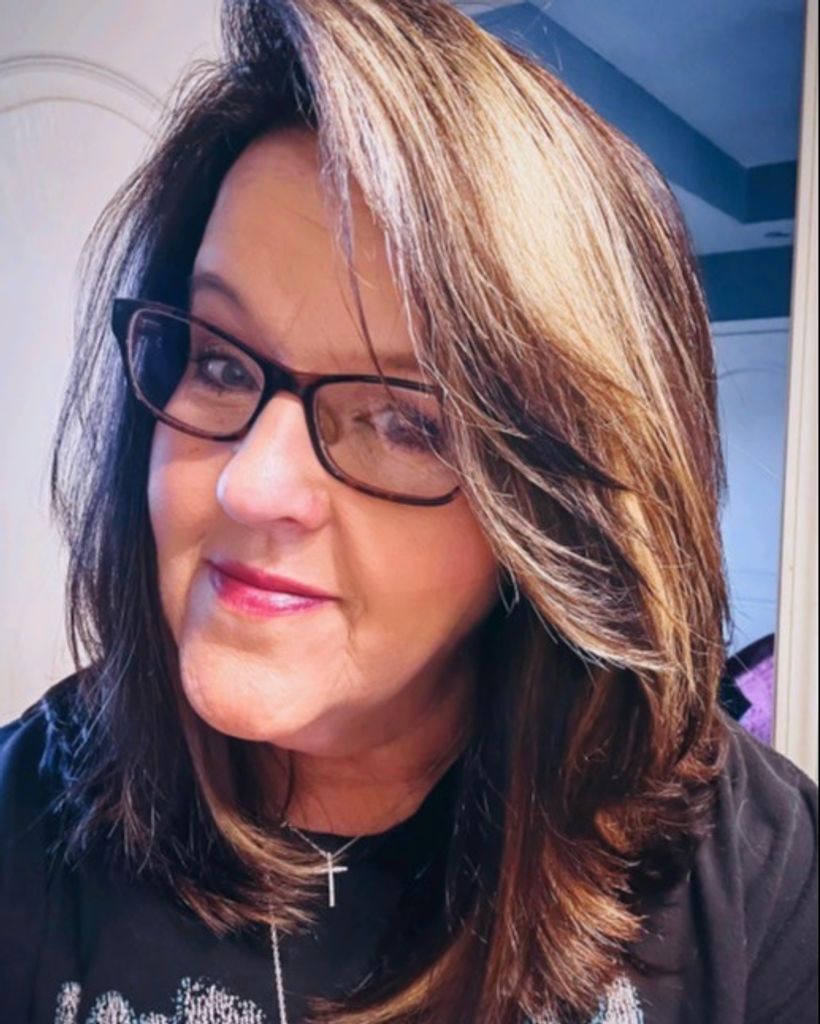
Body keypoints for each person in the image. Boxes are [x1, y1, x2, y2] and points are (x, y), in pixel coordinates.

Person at [1, 1, 816, 1022]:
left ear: (552, 515)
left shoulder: (756, 879)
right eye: (219, 362)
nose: (249, 486)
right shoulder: (26, 824)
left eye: (403, 421)